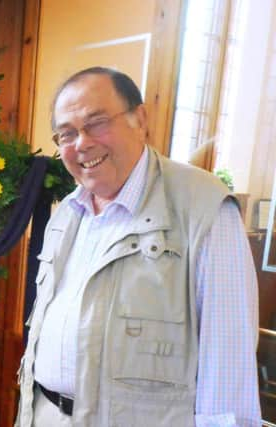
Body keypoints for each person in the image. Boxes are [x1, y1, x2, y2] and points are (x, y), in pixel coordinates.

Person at [16, 67, 261, 426]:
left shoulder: (202, 208)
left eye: (96, 123)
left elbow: (228, 363)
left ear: (140, 119)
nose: (81, 143)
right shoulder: (68, 211)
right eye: (66, 134)